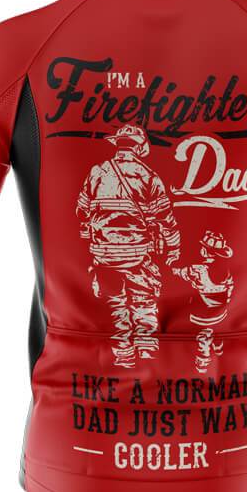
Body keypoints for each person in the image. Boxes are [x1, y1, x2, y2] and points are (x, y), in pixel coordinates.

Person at [76, 125, 180, 368]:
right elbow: (165, 218)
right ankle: (147, 359)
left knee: (115, 306)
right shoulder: (148, 176)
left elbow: (81, 210)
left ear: (118, 144)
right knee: (143, 303)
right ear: (140, 147)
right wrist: (174, 247)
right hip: (137, 254)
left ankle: (123, 358)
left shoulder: (97, 172)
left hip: (104, 255)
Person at [173, 230, 235, 373]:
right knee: (217, 330)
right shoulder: (225, 270)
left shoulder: (197, 270)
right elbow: (230, 286)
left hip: (201, 314)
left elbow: (179, 272)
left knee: (202, 336)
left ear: (205, 252)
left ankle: (202, 364)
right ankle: (219, 349)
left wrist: (173, 267)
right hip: (221, 312)